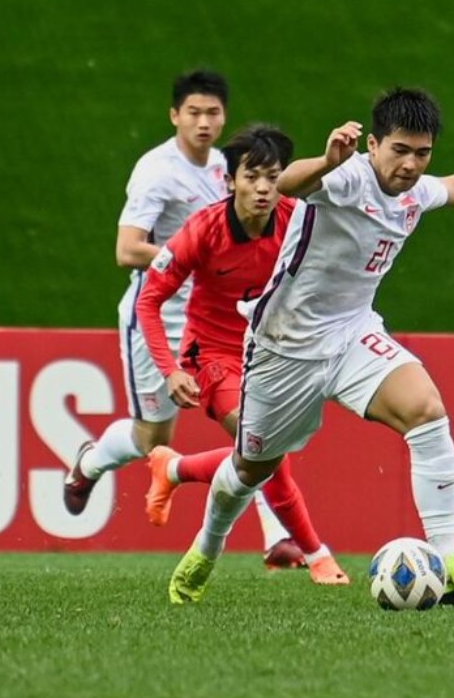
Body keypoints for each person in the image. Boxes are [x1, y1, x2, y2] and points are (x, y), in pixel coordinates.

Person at [166, 86, 454, 604]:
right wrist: (326, 160)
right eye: (400, 150)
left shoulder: (415, 191)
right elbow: (285, 185)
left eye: (421, 152)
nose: (410, 164)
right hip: (284, 348)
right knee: (252, 468)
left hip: (354, 334)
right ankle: (207, 547)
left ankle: (446, 557)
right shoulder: (345, 178)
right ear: (373, 144)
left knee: (427, 411)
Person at [63, 70, 300, 567]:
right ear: (174, 116)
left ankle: (278, 536)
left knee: (253, 429)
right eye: (193, 112)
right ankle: (89, 463)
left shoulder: (230, 167)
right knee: (153, 438)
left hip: (221, 319)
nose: (203, 122)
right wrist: (190, 255)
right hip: (160, 315)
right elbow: (126, 249)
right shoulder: (156, 171)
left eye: (212, 112)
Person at [135, 124, 349, 586]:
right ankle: (317, 554)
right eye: (252, 176)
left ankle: (171, 467)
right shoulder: (202, 230)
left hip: (274, 356)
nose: (263, 188)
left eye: (274, 177)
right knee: (265, 447)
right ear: (230, 180)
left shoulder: (297, 221)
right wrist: (170, 370)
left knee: (258, 454)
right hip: (212, 356)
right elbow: (148, 300)